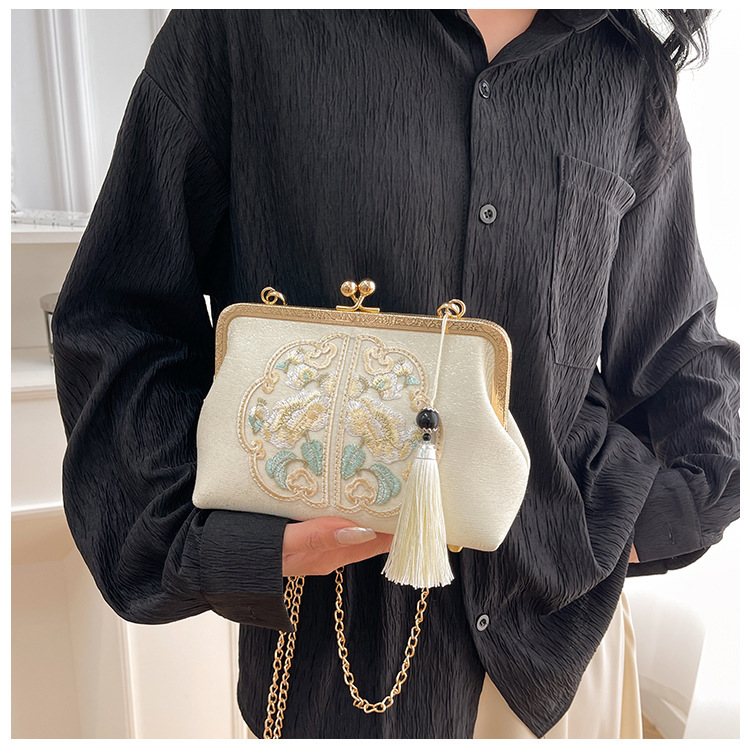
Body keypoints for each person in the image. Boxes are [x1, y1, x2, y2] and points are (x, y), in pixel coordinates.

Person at [51, 9, 740, 739]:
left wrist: (627, 528)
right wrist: (239, 548)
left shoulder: (624, 72)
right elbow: (118, 314)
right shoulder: (242, 28)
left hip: (558, 667)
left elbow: (678, 350)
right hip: (330, 662)